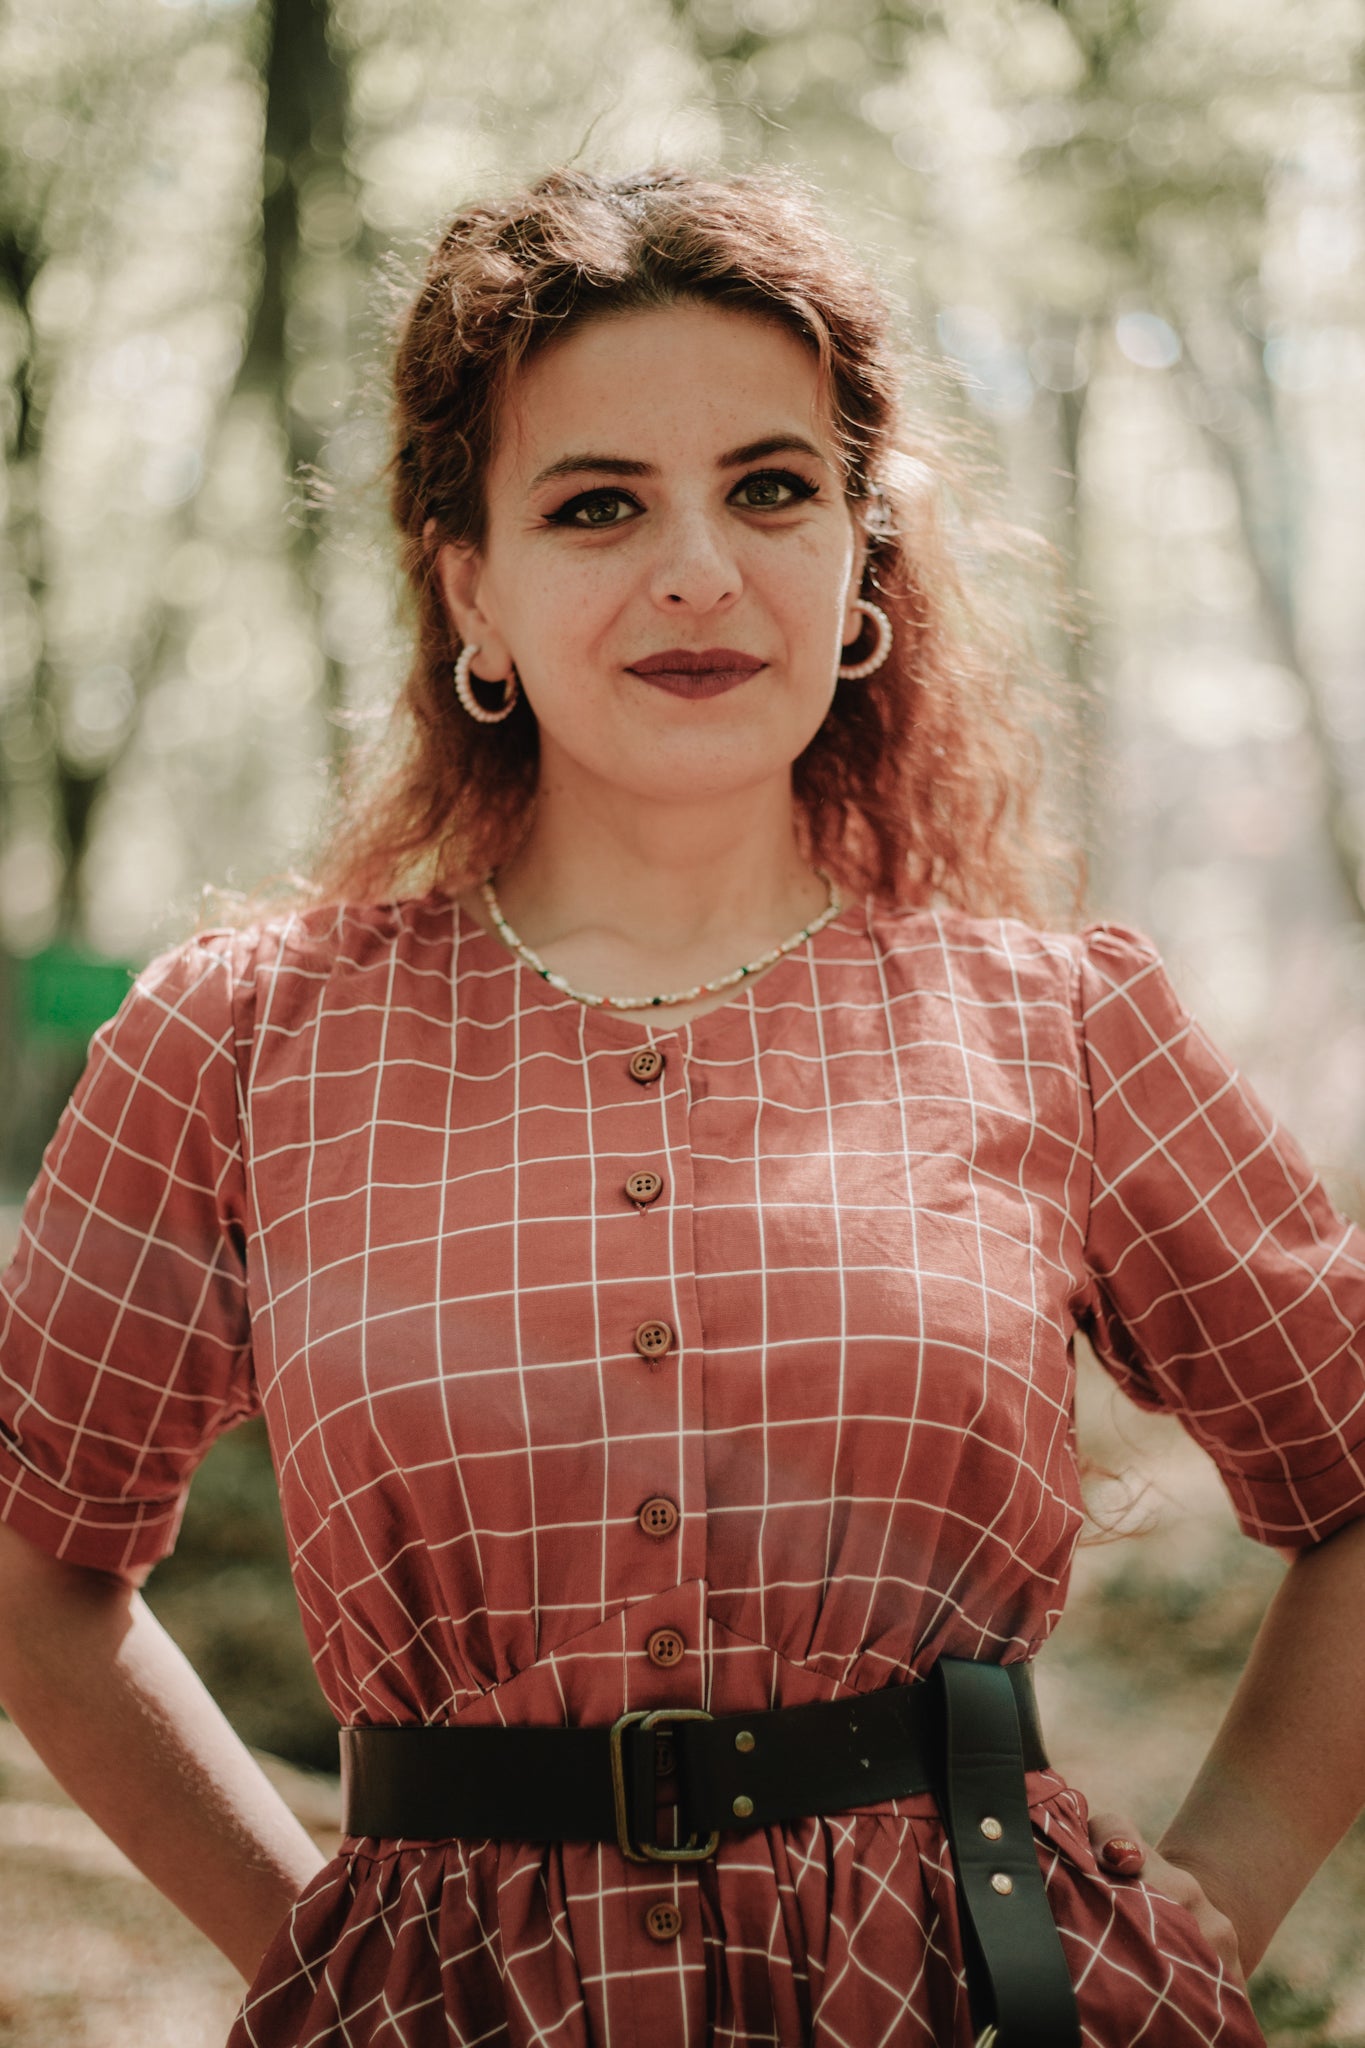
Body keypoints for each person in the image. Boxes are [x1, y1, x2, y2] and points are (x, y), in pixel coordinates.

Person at [0, 164, 1363, 2048]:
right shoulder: (238, 1042)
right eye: (596, 505)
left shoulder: (1059, 1023)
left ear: (859, 561)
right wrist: (308, 1945)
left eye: (772, 487)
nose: (701, 570)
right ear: (467, 580)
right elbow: (33, 1566)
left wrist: (1212, 1905)